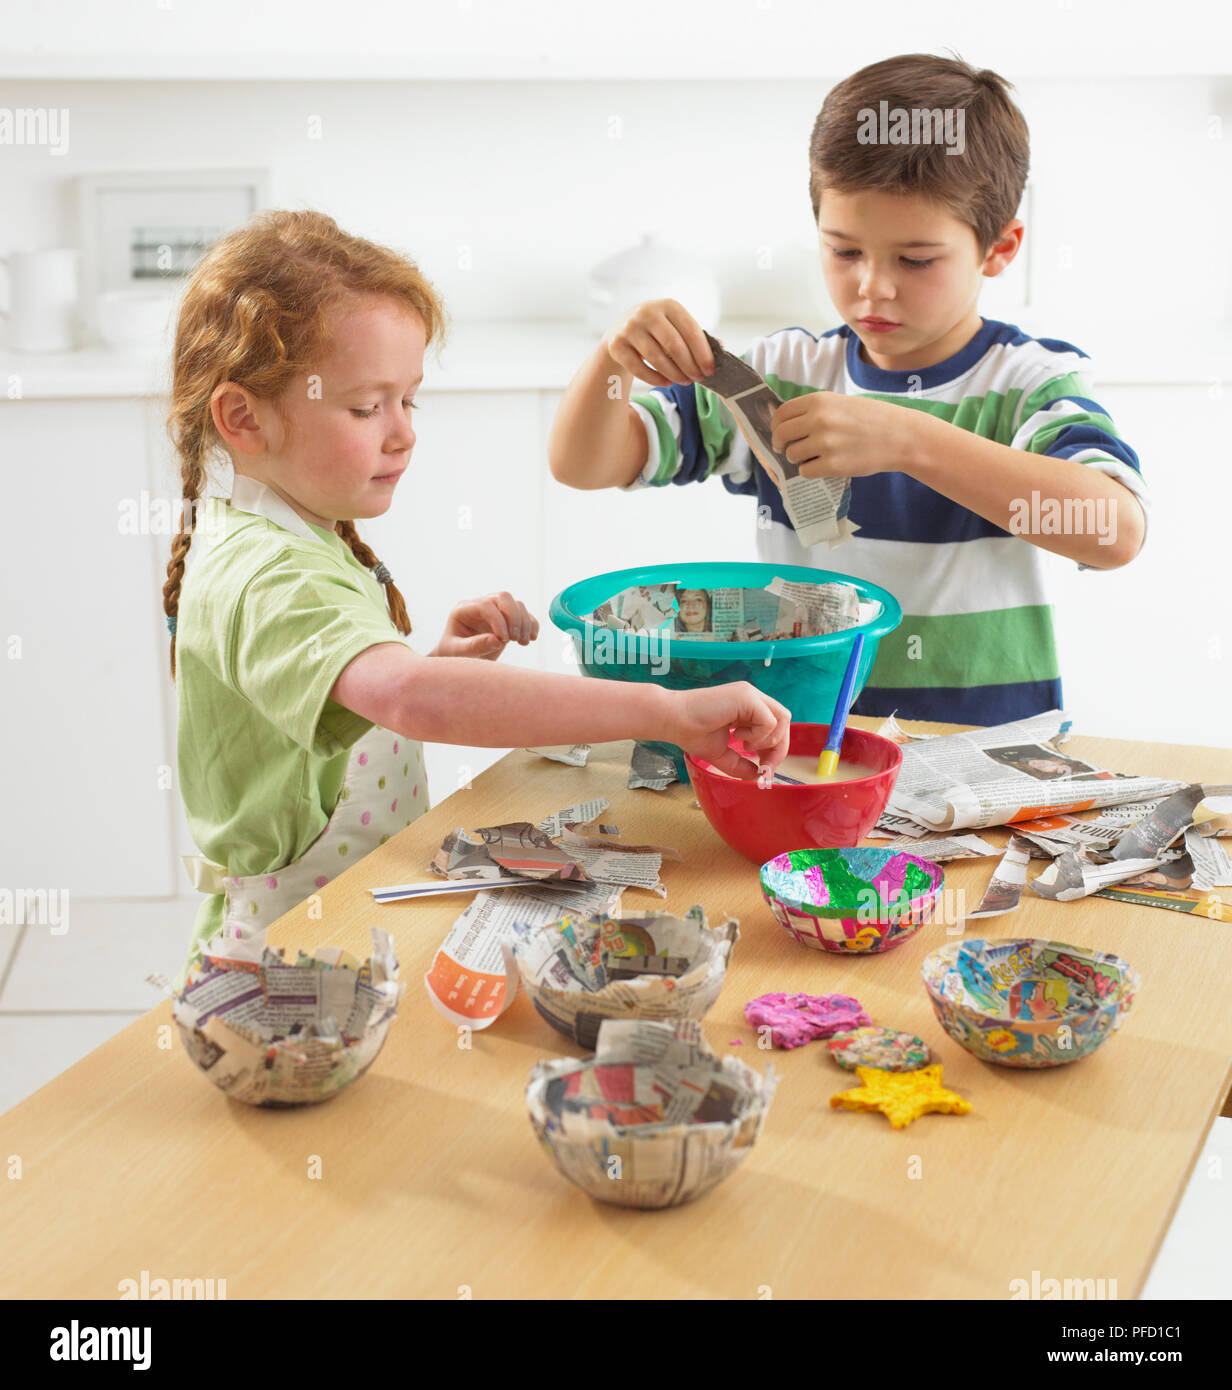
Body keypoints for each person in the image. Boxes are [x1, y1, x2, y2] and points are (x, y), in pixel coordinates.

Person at [163, 209, 790, 985]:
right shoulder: (265, 570)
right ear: (241, 418)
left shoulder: (289, 532)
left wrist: (438, 664)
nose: (404, 433)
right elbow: (414, 701)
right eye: (367, 407)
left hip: (348, 920)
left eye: (409, 401)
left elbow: (363, 700)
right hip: (286, 959)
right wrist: (666, 713)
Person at [548, 53, 1150, 726]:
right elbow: (582, 465)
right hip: (803, 749)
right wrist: (612, 358)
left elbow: (1113, 531)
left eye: (915, 259)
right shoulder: (779, 376)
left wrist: (909, 440)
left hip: (986, 767)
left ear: (1000, 248)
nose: (872, 287)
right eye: (844, 251)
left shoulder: (1026, 385)